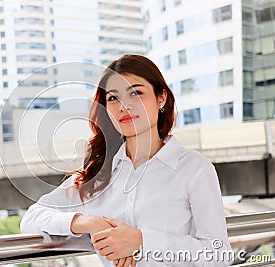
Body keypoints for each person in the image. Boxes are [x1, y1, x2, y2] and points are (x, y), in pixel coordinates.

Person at [20, 54, 232, 266]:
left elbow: (218, 254)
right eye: (113, 98)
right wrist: (89, 223)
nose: (124, 106)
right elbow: (32, 218)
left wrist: (142, 241)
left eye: (136, 93)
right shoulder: (99, 174)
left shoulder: (193, 168)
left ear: (161, 98)